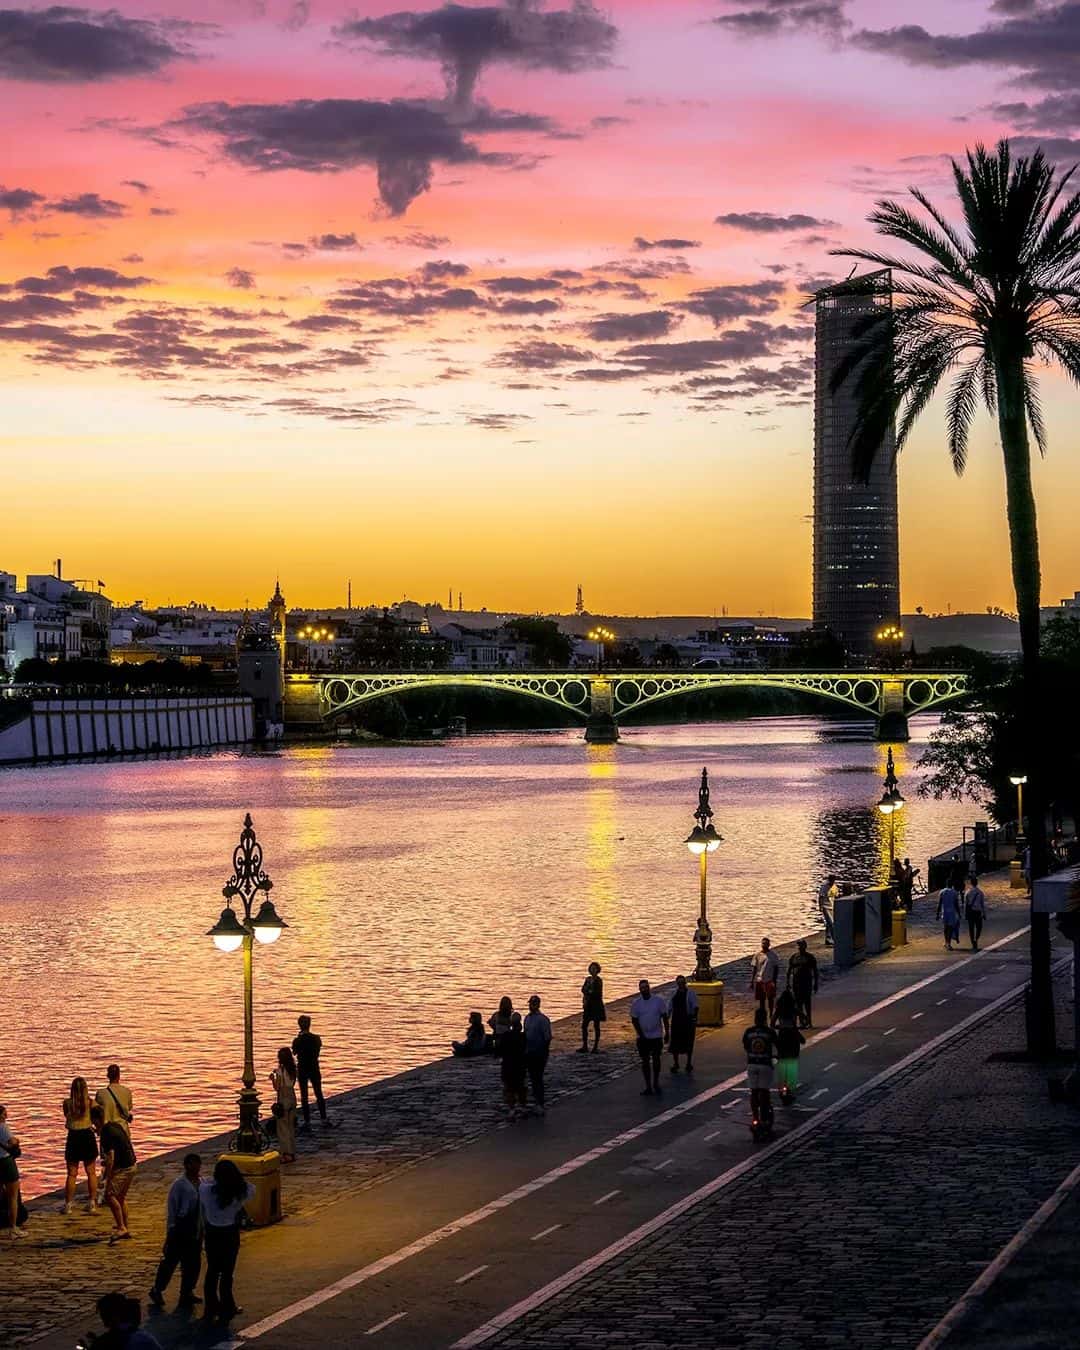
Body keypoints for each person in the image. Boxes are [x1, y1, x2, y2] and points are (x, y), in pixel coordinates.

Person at [200, 1159, 254, 1322]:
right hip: (230, 1233)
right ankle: (227, 1305)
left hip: (212, 1233)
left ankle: (211, 1306)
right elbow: (251, 1188)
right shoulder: (239, 1193)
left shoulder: (207, 1191)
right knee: (227, 1273)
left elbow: (203, 1183)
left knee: (212, 1271)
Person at [149, 1154, 202, 1309]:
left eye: (198, 1164)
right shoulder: (179, 1185)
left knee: (193, 1262)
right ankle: (157, 1289)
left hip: (196, 1226)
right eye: (193, 1164)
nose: (196, 1167)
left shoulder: (202, 1182)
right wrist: (170, 1230)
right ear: (186, 1165)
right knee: (171, 1261)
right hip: (181, 1226)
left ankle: (187, 1291)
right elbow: (172, 1210)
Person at [92, 1103, 136, 1244]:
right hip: (132, 1164)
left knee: (109, 1196)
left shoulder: (106, 1134)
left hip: (123, 1168)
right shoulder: (114, 1126)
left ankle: (121, 1227)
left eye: (94, 1122)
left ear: (97, 1120)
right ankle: (125, 1227)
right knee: (121, 1197)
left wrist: (107, 1178)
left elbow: (110, 1158)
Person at [62, 1076, 98, 1214]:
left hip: (73, 1137)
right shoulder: (90, 1103)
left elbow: (67, 1116)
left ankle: (68, 1205)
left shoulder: (67, 1103)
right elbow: (97, 1117)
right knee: (91, 1172)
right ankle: (92, 1202)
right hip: (87, 1136)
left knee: (72, 1174)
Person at [630, 979, 669, 1097]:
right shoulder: (636, 1003)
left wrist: (667, 1032)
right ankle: (648, 1086)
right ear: (639, 990)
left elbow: (664, 1017)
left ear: (649, 988)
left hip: (656, 1036)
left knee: (656, 1059)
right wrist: (641, 1035)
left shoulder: (658, 1001)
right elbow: (634, 1020)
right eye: (642, 988)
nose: (644, 989)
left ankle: (656, 1082)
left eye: (646, 987)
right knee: (645, 1061)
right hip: (643, 1037)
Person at [742, 1007, 779, 1126]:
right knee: (764, 1090)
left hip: (752, 1064)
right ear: (765, 1019)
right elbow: (777, 1045)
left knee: (753, 1091)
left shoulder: (749, 1032)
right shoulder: (769, 1032)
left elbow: (746, 1046)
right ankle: (764, 1116)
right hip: (765, 1064)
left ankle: (755, 1117)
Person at [292, 1016, 329, 1132]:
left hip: (303, 1068)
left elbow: (294, 1052)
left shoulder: (298, 1040)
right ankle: (324, 1118)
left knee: (304, 1096)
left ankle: (307, 1121)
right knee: (319, 1093)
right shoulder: (316, 1039)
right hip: (314, 1067)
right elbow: (318, 1050)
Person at [87, 1293, 163, 1349]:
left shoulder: (111, 1341)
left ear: (113, 1317)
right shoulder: (144, 1337)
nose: (103, 1322)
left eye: (103, 1316)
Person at [772, 989, 805, 1098]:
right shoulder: (793, 1009)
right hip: (792, 1035)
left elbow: (772, 1022)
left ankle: (782, 1086)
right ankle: (790, 1088)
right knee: (792, 1061)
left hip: (782, 1035)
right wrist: (803, 1023)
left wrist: (778, 1026)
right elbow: (804, 1017)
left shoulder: (779, 1010)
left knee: (782, 1060)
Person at [523, 994, 553, 1115]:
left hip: (539, 1053)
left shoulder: (543, 1020)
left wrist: (544, 1052)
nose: (531, 1006)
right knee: (532, 1077)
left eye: (534, 1004)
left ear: (538, 1005)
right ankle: (535, 1101)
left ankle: (540, 1103)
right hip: (529, 1052)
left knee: (538, 1078)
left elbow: (547, 1038)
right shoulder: (527, 1019)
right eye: (530, 1004)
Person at [0, 1104, 25, 1241]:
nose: (6, 1116)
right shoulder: (3, 1127)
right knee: (13, 1197)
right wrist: (17, 1140)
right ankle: (13, 1228)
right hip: (5, 1162)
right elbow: (12, 1141)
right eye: (4, 1114)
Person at [270, 1047, 298, 1163]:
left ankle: (287, 1154)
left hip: (283, 1097)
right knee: (290, 1127)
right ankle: (292, 1151)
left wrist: (273, 1079)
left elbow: (277, 1087)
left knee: (282, 1128)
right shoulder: (293, 1069)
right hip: (292, 1096)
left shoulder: (281, 1070)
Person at [499, 1012, 528, 1119]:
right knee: (521, 1086)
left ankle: (512, 1109)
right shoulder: (523, 1037)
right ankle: (523, 1107)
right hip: (520, 1065)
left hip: (508, 1065)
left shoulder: (506, 1036)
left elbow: (500, 1050)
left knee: (509, 1088)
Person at [668, 974, 699, 1073]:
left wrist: (694, 1018)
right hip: (676, 1021)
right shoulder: (674, 993)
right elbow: (670, 1006)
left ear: (685, 983)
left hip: (687, 1020)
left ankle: (688, 1063)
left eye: (682, 983)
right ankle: (676, 1063)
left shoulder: (690, 993)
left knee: (689, 1042)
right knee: (675, 1043)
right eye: (679, 983)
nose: (681, 984)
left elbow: (695, 1006)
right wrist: (667, 1016)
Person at [786, 939, 820, 1029]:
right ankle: (801, 1022)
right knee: (798, 1003)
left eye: (801, 945)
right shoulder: (794, 957)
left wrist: (816, 983)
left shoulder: (810, 957)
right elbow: (789, 971)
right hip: (796, 983)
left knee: (807, 1003)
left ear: (805, 946)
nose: (799, 947)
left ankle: (809, 1021)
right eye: (798, 945)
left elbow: (815, 971)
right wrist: (787, 982)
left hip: (806, 983)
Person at [96, 1064, 134, 1139]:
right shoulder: (127, 1091)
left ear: (107, 1076)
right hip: (123, 1132)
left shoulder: (100, 1093)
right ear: (119, 1076)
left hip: (107, 1133)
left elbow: (97, 1112)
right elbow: (129, 1108)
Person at [578, 962, 606, 1053]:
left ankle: (595, 1047)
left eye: (594, 968)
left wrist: (589, 991)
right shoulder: (588, 979)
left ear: (597, 970)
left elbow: (597, 993)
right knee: (584, 1025)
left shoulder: (599, 980)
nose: (592, 970)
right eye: (591, 968)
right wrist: (588, 991)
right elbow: (583, 989)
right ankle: (585, 1046)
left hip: (596, 1005)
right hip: (588, 1005)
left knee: (596, 1025)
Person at [750, 937, 780, 1017]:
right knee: (761, 1000)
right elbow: (755, 968)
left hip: (769, 980)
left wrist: (774, 980)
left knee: (770, 998)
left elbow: (776, 968)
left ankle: (771, 1013)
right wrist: (752, 981)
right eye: (763, 943)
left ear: (769, 945)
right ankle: (763, 1014)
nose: (764, 945)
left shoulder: (773, 955)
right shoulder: (757, 955)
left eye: (766, 944)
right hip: (760, 980)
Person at [937, 880, 962, 950]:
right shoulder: (955, 893)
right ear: (952, 885)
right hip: (952, 912)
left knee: (945, 927)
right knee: (950, 928)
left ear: (946, 884)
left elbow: (939, 904)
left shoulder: (942, 892)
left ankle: (946, 942)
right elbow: (956, 904)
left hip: (944, 912)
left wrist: (937, 914)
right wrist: (959, 913)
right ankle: (949, 943)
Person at [965, 876, 988, 950]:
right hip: (978, 912)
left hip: (971, 912)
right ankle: (976, 939)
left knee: (971, 928)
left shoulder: (968, 892)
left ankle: (973, 942)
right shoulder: (980, 892)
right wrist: (984, 914)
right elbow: (982, 904)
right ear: (977, 883)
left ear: (971, 883)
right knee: (979, 927)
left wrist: (966, 913)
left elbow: (967, 904)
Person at [817, 875, 838, 944]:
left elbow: (836, 896)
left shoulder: (834, 886)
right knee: (831, 923)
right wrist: (820, 906)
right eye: (831, 880)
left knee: (829, 923)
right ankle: (835, 939)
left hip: (832, 906)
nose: (832, 882)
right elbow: (821, 897)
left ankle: (828, 938)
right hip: (826, 907)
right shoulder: (824, 886)